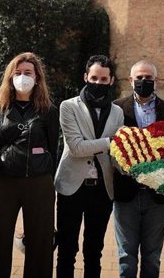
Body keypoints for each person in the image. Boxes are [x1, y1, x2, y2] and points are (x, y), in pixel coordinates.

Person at [0, 52, 59, 278]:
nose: (22, 77)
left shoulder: (48, 110)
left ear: (37, 78)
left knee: (40, 243)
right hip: (6, 183)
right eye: (18, 73)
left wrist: (49, 184)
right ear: (10, 77)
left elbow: (53, 149)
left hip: (39, 183)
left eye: (28, 73)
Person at [55, 55, 123, 278]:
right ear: (85, 77)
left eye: (103, 79)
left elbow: (117, 155)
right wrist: (110, 142)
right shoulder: (68, 107)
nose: (98, 83)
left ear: (111, 80)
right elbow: (75, 147)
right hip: (71, 187)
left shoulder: (118, 112)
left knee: (94, 251)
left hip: (102, 189)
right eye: (94, 78)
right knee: (67, 249)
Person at [112, 60, 164, 278]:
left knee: (152, 257)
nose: (143, 81)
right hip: (126, 194)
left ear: (156, 81)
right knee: (126, 258)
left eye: (148, 78)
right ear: (130, 80)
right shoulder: (117, 108)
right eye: (139, 78)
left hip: (156, 196)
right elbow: (111, 148)